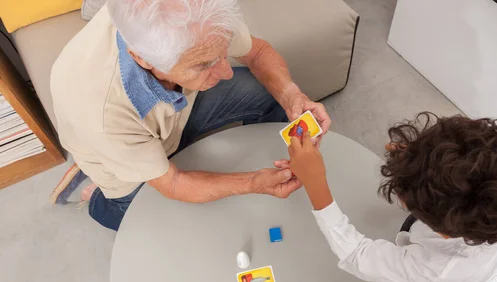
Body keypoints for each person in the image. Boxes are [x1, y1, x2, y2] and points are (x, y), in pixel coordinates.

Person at [49, 0, 330, 231]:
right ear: (144, 59)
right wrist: (252, 183)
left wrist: (293, 96)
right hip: (117, 142)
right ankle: (99, 194)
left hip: (178, 110)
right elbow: (172, 183)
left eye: (222, 54)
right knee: (170, 230)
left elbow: (257, 53)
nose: (227, 72)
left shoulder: (201, 18)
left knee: (270, 93)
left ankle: (144, 152)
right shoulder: (102, 114)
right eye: (204, 65)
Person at [284, 113, 497, 282]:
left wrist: (315, 183)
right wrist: (415, 157)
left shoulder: (441, 266)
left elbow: (358, 255)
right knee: (487, 281)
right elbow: (460, 162)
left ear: (443, 230)